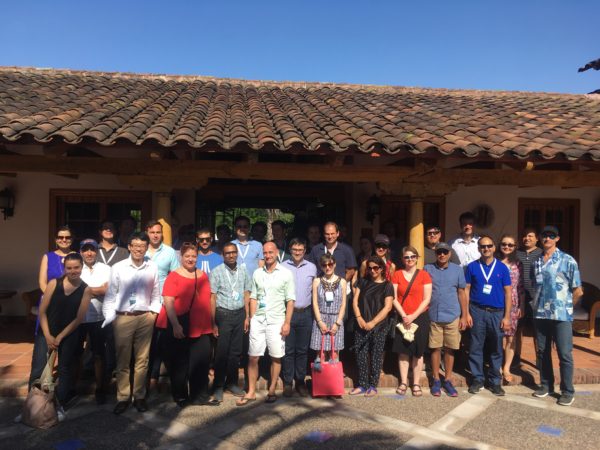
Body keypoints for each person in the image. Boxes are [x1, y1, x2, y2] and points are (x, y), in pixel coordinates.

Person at [102, 232, 161, 415]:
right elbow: (110, 295)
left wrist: (153, 313)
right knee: (123, 359)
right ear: (129, 247)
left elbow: (156, 293)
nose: (138, 249)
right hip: (123, 317)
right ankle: (123, 397)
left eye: (142, 246)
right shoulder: (118, 267)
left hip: (145, 317)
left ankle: (139, 396)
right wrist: (112, 318)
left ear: (146, 248)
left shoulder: (152, 267)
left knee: (142, 360)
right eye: (135, 245)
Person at [155, 242, 215, 407]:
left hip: (201, 324)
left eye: (193, 256)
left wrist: (212, 323)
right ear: (181, 257)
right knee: (180, 362)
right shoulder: (173, 276)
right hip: (179, 322)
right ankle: (180, 395)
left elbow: (208, 300)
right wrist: (175, 325)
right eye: (187, 256)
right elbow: (168, 301)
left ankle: (199, 395)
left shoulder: (202, 275)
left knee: (201, 361)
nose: (190, 259)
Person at [236, 242, 295, 406]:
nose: (268, 255)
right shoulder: (257, 273)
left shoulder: (286, 274)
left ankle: (272, 390)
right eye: (265, 253)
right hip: (259, 320)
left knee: (276, 357)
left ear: (276, 253)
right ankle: (251, 392)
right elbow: (253, 297)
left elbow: (290, 300)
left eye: (270, 252)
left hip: (277, 321)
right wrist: (252, 317)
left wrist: (287, 323)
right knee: (253, 356)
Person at [36, 253, 92, 419]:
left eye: (76, 267)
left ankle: (59, 405)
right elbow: (42, 311)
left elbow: (79, 318)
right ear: (64, 268)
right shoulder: (54, 283)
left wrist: (60, 337)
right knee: (39, 368)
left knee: (64, 368)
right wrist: (48, 335)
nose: (73, 271)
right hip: (47, 331)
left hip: (69, 334)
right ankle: (33, 404)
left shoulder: (86, 289)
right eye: (69, 268)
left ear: (82, 267)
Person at [532, 226, 582, 406]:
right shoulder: (536, 261)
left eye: (551, 236)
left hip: (561, 316)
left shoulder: (568, 260)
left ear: (557, 238)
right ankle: (546, 385)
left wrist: (567, 308)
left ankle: (567, 391)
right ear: (540, 238)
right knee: (542, 352)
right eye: (544, 235)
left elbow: (578, 290)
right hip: (540, 315)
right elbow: (535, 286)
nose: (547, 238)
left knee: (564, 353)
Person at [464, 235, 511, 396]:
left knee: (496, 347)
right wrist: (466, 313)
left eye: (489, 246)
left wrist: (507, 316)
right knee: (475, 346)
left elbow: (508, 292)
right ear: (479, 249)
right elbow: (466, 290)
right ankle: (477, 379)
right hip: (477, 311)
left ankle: (495, 381)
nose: (486, 249)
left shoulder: (502, 268)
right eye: (483, 246)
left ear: (494, 247)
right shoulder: (472, 267)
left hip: (497, 313)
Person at [29, 226, 74, 390]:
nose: (64, 240)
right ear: (56, 239)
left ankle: (63, 394)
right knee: (41, 352)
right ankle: (34, 393)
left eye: (67, 237)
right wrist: (53, 297)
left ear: (71, 240)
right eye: (60, 237)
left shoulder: (76, 256)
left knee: (66, 353)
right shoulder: (48, 257)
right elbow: (42, 282)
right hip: (49, 306)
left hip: (69, 306)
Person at [209, 242, 252, 402]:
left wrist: (247, 316)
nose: (231, 255)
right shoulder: (216, 272)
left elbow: (246, 293)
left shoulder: (243, 270)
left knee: (235, 352)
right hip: (223, 315)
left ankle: (232, 383)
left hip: (239, 315)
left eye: (233, 252)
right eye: (227, 253)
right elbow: (212, 298)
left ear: (237, 254)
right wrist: (213, 323)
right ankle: (218, 386)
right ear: (223, 255)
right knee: (222, 352)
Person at [424, 242, 467, 397]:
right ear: (435, 253)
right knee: (435, 348)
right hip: (434, 315)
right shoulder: (427, 269)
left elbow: (461, 293)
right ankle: (436, 379)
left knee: (450, 348)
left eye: (445, 252)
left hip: (452, 315)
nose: (442, 255)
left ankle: (447, 379)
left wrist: (464, 315)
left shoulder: (457, 270)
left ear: (450, 254)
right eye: (439, 252)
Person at [350, 255, 394, 397]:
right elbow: (355, 301)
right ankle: (362, 384)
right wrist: (359, 318)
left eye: (376, 268)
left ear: (382, 269)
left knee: (376, 355)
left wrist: (372, 323)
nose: (373, 270)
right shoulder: (362, 282)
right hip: (361, 323)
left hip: (379, 326)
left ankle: (373, 385)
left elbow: (388, 307)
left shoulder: (387, 285)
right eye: (370, 268)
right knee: (361, 354)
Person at [391, 246, 432, 397]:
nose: (410, 259)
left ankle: (416, 383)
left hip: (419, 317)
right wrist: (404, 315)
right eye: (406, 257)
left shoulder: (424, 275)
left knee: (417, 352)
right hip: (402, 317)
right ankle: (403, 382)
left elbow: (427, 299)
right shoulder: (397, 274)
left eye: (412, 256)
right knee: (403, 351)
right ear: (402, 259)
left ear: (417, 258)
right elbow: (394, 298)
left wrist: (413, 316)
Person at [145, 219, 179, 394]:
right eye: (152, 232)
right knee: (145, 344)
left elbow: (175, 278)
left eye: (158, 232)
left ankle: (154, 378)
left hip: (163, 304)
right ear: (147, 233)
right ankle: (144, 378)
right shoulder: (140, 249)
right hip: (143, 304)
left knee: (160, 343)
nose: (155, 235)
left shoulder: (170, 252)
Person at [281, 238, 317, 397]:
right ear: (290, 250)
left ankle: (300, 381)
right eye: (294, 250)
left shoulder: (312, 267)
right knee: (288, 350)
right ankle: (288, 382)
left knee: (302, 350)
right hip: (288, 314)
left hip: (306, 313)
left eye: (300, 250)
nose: (297, 252)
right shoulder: (282, 267)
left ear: (305, 251)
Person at [78, 239, 111, 404]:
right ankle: (73, 386)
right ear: (81, 252)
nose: (89, 253)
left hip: (99, 317)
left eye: (92, 250)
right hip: (78, 318)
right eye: (85, 250)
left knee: (99, 354)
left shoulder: (106, 269)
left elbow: (108, 290)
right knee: (76, 353)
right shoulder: (76, 267)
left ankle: (100, 388)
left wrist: (85, 291)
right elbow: (72, 290)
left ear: (97, 251)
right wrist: (97, 290)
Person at [310, 254, 346, 374]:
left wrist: (337, 323)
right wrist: (320, 322)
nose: (327, 267)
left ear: (334, 264)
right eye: (324, 265)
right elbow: (315, 303)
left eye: (330, 264)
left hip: (336, 318)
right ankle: (321, 381)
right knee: (320, 355)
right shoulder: (317, 281)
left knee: (334, 354)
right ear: (321, 267)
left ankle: (332, 381)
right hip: (321, 318)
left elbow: (343, 305)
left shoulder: (342, 282)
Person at [496, 234, 524, 383]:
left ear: (515, 247)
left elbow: (520, 287)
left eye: (510, 245)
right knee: (497, 337)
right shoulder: (494, 262)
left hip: (513, 304)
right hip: (496, 303)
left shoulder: (518, 264)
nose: (507, 247)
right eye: (504, 244)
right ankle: (497, 367)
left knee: (510, 337)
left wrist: (521, 305)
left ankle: (506, 367)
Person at [515, 227, 542, 357]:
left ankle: (540, 358)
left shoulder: (542, 253)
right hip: (519, 297)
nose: (527, 238)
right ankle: (516, 356)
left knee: (538, 329)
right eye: (525, 236)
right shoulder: (516, 253)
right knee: (518, 328)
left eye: (530, 236)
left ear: (537, 239)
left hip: (536, 297)